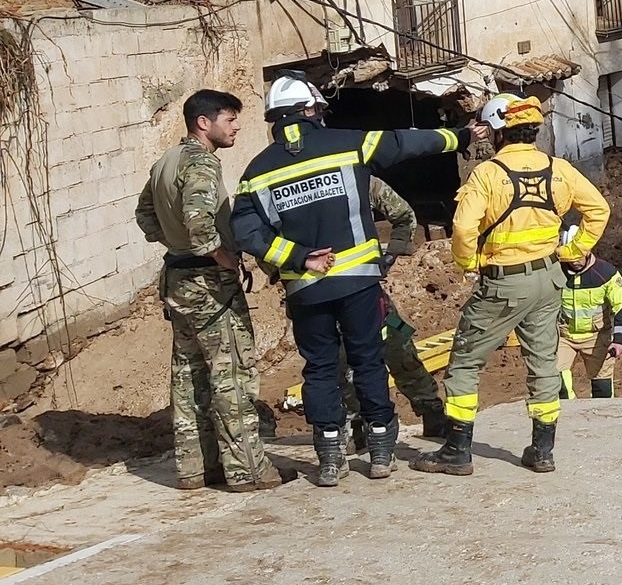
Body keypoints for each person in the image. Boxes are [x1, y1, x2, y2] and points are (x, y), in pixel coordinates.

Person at [231, 74, 477, 487]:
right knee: (368, 361)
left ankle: (330, 458)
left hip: (307, 290)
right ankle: (380, 451)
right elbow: (406, 143)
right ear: (310, 111)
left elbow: (246, 233)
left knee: (320, 369)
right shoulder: (347, 143)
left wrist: (296, 257)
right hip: (360, 283)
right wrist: (461, 136)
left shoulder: (256, 172)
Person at [413, 94, 609, 477]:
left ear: (499, 132)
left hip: (503, 283)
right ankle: (542, 451)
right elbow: (599, 210)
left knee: (466, 362)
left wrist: (468, 262)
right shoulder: (559, 169)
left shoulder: (487, 174)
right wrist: (574, 250)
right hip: (548, 279)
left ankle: (457, 450)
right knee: (542, 364)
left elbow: (465, 227)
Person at [136, 89, 279, 493]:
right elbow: (201, 223)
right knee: (231, 373)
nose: (236, 127)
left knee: (188, 375)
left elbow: (145, 214)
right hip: (209, 285)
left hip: (178, 280)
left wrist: (173, 243)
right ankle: (247, 471)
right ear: (204, 122)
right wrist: (221, 256)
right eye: (229, 119)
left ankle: (195, 468)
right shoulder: (201, 164)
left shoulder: (166, 162)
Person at [338, 177, 448, 449]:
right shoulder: (289, 183)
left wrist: (391, 256)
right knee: (340, 361)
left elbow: (404, 215)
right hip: (322, 295)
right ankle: (356, 425)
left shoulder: (359, 178)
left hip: (367, 290)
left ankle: (431, 410)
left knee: (398, 346)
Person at [557, 241, 622, 401]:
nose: (575, 261)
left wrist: (619, 340)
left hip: (596, 337)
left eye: (579, 255)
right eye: (571, 256)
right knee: (556, 381)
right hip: (563, 336)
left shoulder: (606, 273)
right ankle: (569, 416)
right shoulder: (554, 272)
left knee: (602, 388)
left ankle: (603, 422)